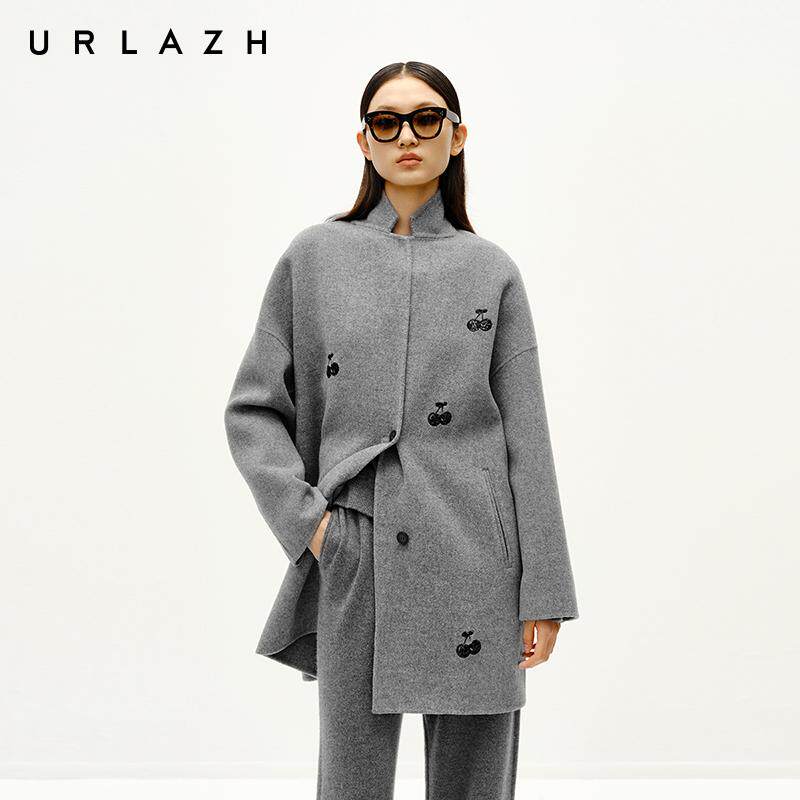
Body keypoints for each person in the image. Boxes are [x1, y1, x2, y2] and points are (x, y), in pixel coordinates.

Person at [224, 60, 579, 800]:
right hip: (357, 547)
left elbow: (528, 441)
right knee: (351, 780)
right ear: (364, 141)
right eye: (387, 122)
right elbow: (254, 409)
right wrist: (314, 528)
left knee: (476, 779)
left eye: (427, 119)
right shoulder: (314, 257)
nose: (407, 136)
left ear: (457, 135)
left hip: (478, 555)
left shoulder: (492, 271)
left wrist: (544, 590)